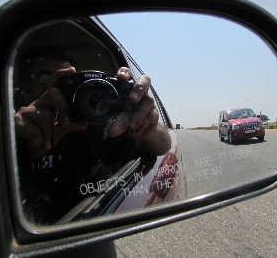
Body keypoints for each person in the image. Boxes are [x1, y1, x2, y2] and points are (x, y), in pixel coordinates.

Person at [13, 45, 171, 224]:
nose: (53, 89)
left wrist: (142, 122)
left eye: (66, 83)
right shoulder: (11, 134)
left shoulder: (99, 129)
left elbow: (163, 145)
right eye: (42, 77)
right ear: (19, 91)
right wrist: (16, 140)